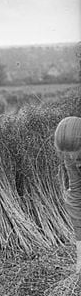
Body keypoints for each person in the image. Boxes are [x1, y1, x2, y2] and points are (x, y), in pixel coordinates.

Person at [54, 116, 81, 273]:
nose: (71, 158)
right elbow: (76, 195)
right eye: (66, 154)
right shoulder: (71, 155)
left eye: (75, 153)